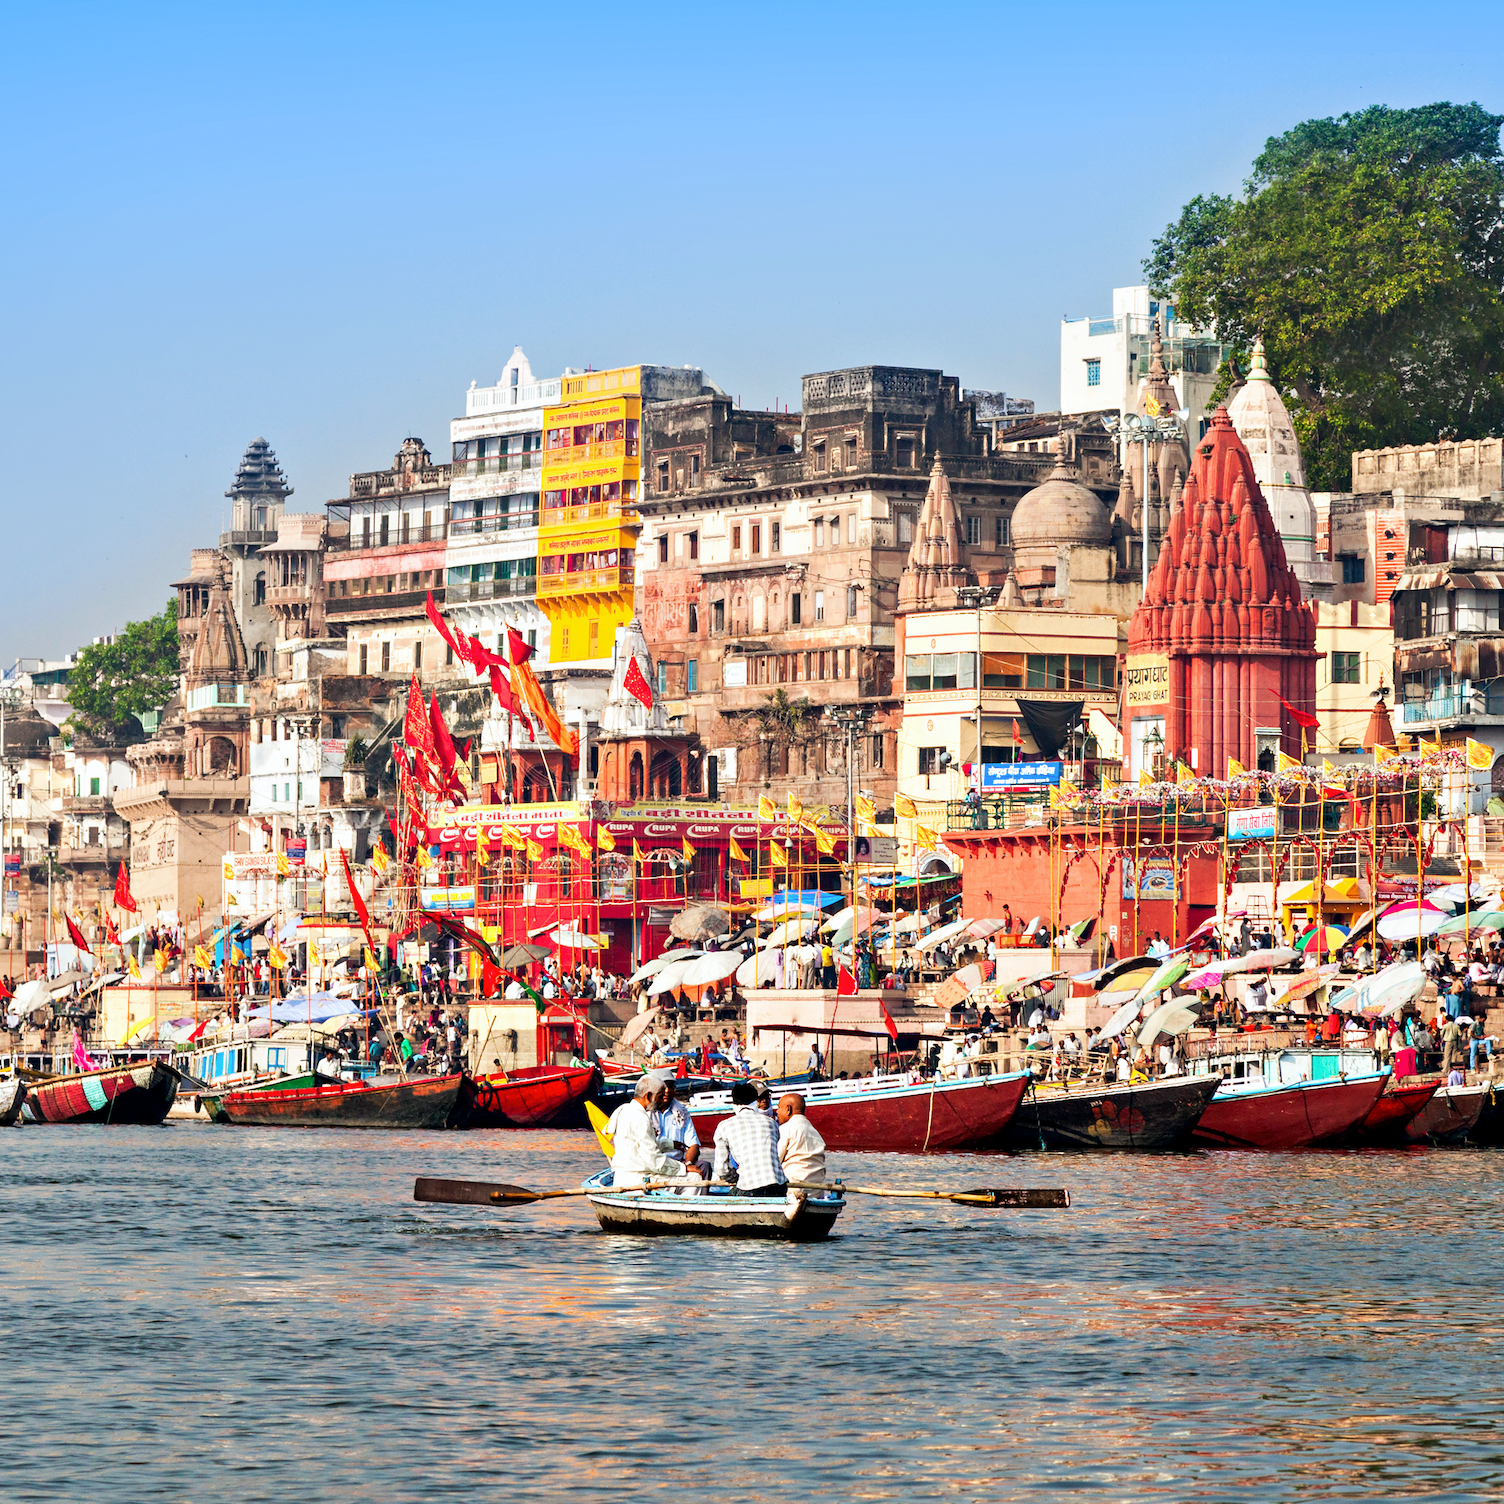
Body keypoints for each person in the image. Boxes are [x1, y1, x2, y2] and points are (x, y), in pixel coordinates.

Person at [607, 1077, 702, 1189]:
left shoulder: (623, 1110)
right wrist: (683, 1168)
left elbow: (639, 1147)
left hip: (622, 1176)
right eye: (660, 1097)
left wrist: (669, 1145)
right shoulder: (641, 1118)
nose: (662, 1101)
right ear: (648, 1096)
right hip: (638, 1178)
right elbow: (654, 1160)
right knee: (694, 1178)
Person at [711, 1080, 786, 1194]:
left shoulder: (724, 1126)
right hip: (779, 1185)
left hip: (749, 1187)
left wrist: (736, 1178)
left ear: (734, 1105)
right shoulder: (771, 1123)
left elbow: (721, 1169)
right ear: (755, 1102)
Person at [776, 1093, 826, 1185]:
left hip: (793, 1188)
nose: (777, 1112)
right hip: (817, 1190)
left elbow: (776, 1159)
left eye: (779, 1108)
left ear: (788, 1109)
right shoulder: (814, 1131)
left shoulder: (786, 1129)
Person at [652, 1077, 701, 1168]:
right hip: (653, 1163)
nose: (667, 1090)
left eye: (670, 1087)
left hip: (677, 1163)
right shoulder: (645, 1113)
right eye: (663, 1087)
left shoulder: (681, 1111)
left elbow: (693, 1145)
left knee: (704, 1166)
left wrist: (688, 1165)